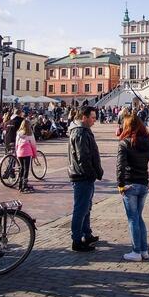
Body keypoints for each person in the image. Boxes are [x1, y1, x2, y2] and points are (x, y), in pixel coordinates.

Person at [116, 113, 149, 262]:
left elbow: (120, 165)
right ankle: (144, 250)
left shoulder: (125, 142)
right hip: (143, 184)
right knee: (139, 218)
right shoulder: (148, 141)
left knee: (133, 219)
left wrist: (120, 184)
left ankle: (136, 251)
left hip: (130, 185)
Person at [67, 105, 103, 252]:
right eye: (92, 118)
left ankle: (87, 234)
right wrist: (92, 173)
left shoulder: (83, 131)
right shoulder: (80, 132)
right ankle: (76, 240)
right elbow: (83, 157)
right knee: (81, 209)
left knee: (86, 207)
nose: (95, 120)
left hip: (84, 174)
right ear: (84, 118)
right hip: (82, 175)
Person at [15, 119, 38, 193]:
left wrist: (17, 152)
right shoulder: (30, 133)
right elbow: (33, 145)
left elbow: (17, 144)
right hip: (27, 153)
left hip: (20, 153)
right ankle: (24, 185)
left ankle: (20, 185)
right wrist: (35, 154)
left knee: (21, 168)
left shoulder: (18, 133)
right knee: (26, 169)